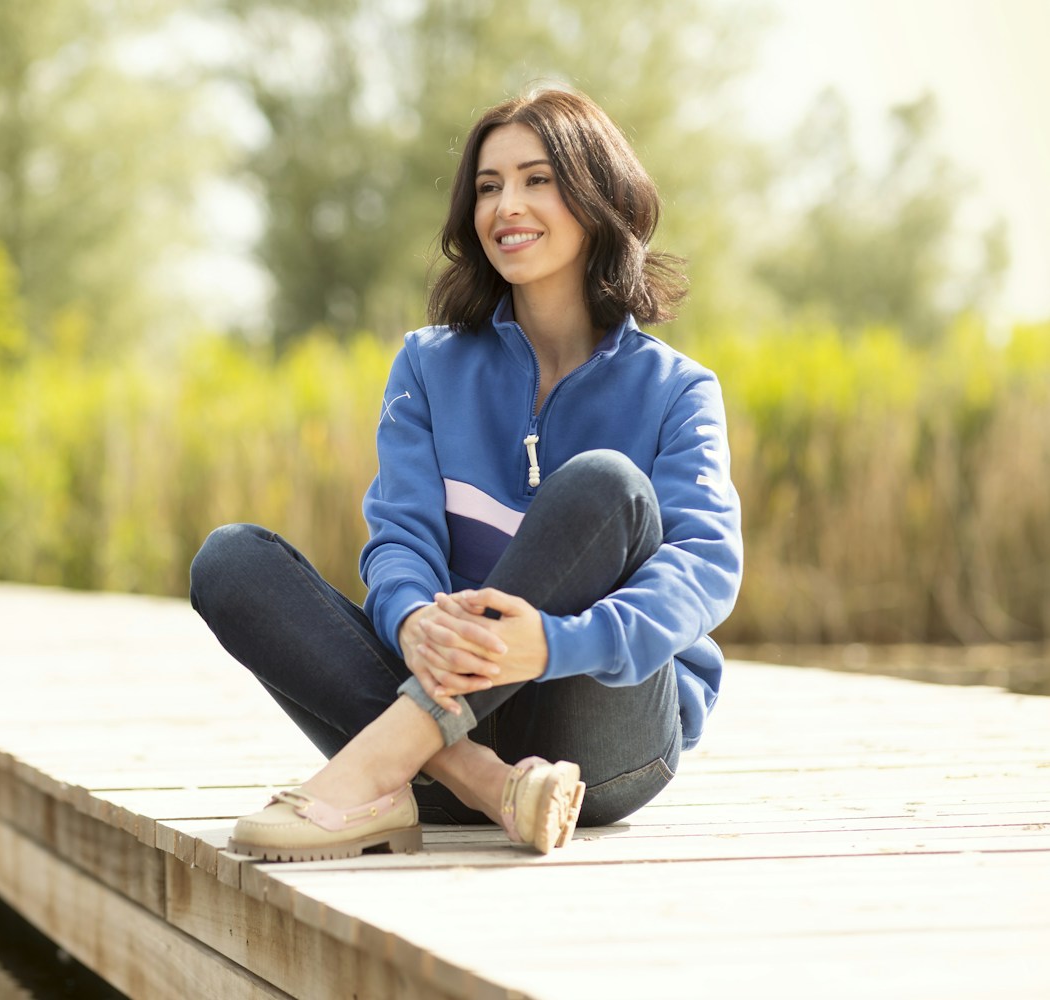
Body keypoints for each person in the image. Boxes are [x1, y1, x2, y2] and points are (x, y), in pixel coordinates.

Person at [189, 88, 743, 862]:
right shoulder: (428, 364)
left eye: (536, 179)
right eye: (488, 186)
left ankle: (386, 762)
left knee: (605, 484)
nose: (506, 205)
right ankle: (487, 783)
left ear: (598, 194)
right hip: (450, 726)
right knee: (232, 561)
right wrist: (414, 620)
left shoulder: (676, 391)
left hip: (604, 745)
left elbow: (705, 569)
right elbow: (400, 540)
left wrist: (549, 645)